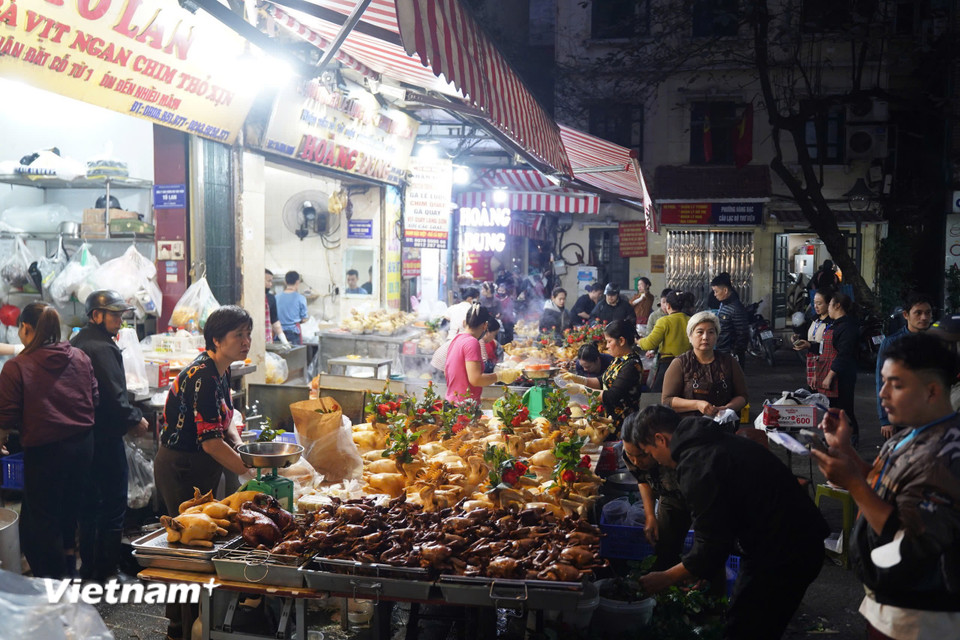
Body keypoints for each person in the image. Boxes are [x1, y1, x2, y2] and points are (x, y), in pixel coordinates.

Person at [811, 333, 960, 639]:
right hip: (891, 601)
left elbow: (911, 542)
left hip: (921, 615)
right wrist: (846, 451)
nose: (882, 394)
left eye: (897, 384)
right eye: (883, 381)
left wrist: (852, 482)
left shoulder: (945, 457)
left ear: (932, 391)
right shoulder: (912, 433)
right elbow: (886, 484)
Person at [635, 405, 829, 639]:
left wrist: (666, 578)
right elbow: (721, 525)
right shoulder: (707, 439)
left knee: (744, 628)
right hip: (787, 541)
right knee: (749, 622)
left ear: (660, 439)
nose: (657, 461)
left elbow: (711, 544)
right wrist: (700, 569)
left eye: (650, 452)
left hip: (786, 552)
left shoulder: (696, 462)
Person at [156, 305, 254, 640]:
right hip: (182, 465)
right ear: (216, 339)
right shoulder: (203, 376)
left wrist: (242, 448)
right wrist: (246, 471)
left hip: (202, 463)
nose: (246, 341)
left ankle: (204, 617)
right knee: (187, 545)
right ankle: (179, 626)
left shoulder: (221, 369)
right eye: (238, 335)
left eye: (247, 334)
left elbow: (223, 424)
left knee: (208, 541)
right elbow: (210, 442)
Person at [0, 303, 98, 578]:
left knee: (40, 525)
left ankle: (53, 590)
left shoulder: (17, 367)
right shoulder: (80, 357)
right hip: (82, 447)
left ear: (27, 329)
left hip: (46, 452)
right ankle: (69, 577)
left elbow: (5, 416)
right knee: (68, 513)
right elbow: (94, 399)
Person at [71, 290, 149, 581]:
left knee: (90, 505)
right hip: (105, 437)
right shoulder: (102, 347)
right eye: (114, 314)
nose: (120, 320)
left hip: (84, 437)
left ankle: (90, 569)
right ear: (96, 316)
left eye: (120, 314)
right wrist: (134, 419)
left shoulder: (80, 340)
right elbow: (112, 397)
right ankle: (106, 572)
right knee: (114, 504)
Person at [621, 410, 689, 572]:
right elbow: (643, 480)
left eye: (643, 455)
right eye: (631, 456)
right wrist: (650, 515)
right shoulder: (630, 453)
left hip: (695, 498)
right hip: (669, 497)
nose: (637, 462)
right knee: (665, 547)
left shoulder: (679, 458)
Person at [661, 311, 748, 425]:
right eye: (700, 332)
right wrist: (697, 404)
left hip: (723, 428)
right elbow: (667, 401)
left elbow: (742, 396)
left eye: (711, 332)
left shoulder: (729, 362)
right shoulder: (679, 364)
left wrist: (726, 408)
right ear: (690, 336)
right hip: (689, 430)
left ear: (717, 336)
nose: (705, 337)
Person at [563, 319, 644, 435]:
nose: (606, 346)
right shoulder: (619, 359)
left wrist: (582, 390)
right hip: (609, 419)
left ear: (621, 341)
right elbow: (603, 381)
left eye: (609, 341)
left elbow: (611, 396)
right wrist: (580, 379)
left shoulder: (631, 365)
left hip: (621, 425)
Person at [802, 292, 860, 446]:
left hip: (842, 376)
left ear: (837, 306)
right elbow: (823, 351)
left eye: (829, 304)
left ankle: (851, 439)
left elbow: (844, 354)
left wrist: (830, 376)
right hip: (827, 372)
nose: (827, 308)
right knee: (832, 409)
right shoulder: (835, 325)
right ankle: (833, 438)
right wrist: (818, 374)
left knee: (844, 410)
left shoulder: (848, 327)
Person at [875, 292, 933, 440]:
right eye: (918, 313)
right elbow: (881, 382)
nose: (924, 317)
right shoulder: (891, 343)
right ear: (906, 315)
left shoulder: (937, 341)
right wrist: (885, 420)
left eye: (928, 313)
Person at [443, 304, 520, 402]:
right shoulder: (472, 342)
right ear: (485, 325)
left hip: (452, 402)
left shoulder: (456, 339)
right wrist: (500, 376)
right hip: (463, 408)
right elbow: (476, 379)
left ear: (465, 322)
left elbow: (447, 371)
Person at [638, 290, 692, 392]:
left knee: (659, 394)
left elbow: (649, 344)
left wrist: (638, 341)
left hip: (668, 365)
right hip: (688, 363)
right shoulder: (690, 320)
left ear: (668, 306)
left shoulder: (664, 321)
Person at [792, 288, 834, 394]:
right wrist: (798, 339)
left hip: (824, 363)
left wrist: (809, 346)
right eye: (814, 303)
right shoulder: (814, 320)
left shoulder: (831, 323)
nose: (816, 306)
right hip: (811, 362)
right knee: (812, 394)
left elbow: (828, 347)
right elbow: (807, 336)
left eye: (819, 303)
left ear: (829, 304)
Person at [710, 272, 749, 367]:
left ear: (725, 290)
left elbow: (742, 333)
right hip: (722, 352)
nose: (714, 295)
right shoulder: (723, 304)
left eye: (716, 291)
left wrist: (734, 353)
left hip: (730, 355)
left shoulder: (736, 309)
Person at [277, 271, 309, 344]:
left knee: (279, 355)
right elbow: (304, 319)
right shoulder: (301, 298)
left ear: (285, 282)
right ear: (298, 282)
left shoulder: (276, 298)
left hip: (279, 333)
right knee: (295, 354)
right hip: (293, 333)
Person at [264, 269, 288, 346]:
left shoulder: (271, 298)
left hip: (267, 341)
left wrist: (284, 340)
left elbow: (274, 321)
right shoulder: (249, 298)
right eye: (268, 281)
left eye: (271, 281)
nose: (271, 284)